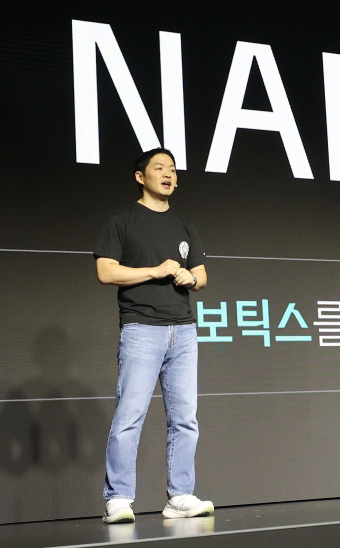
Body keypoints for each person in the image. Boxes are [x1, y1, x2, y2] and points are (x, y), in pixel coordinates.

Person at [93, 148, 213, 524]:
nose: (168, 174)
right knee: (129, 416)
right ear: (140, 176)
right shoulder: (123, 219)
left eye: (172, 169)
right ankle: (118, 498)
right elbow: (106, 271)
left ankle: (180, 496)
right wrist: (155, 271)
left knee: (185, 419)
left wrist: (190, 278)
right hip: (141, 328)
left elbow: (202, 275)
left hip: (184, 330)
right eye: (159, 168)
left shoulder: (183, 222)